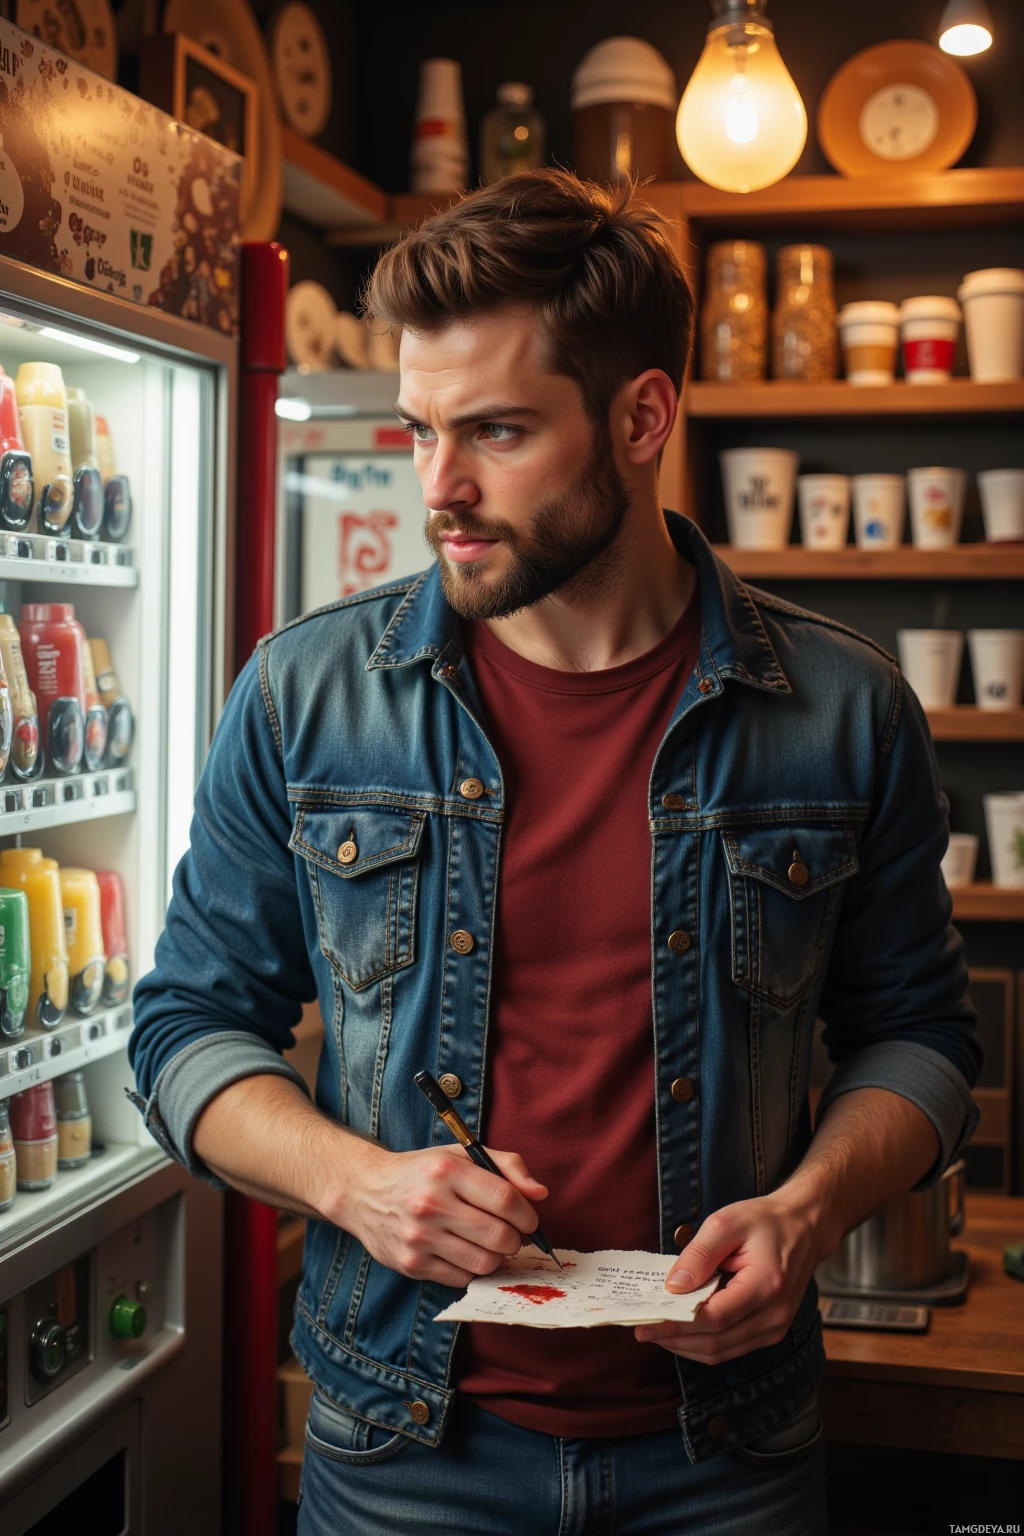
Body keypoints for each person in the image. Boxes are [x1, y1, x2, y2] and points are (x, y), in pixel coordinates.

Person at [130, 170, 981, 1536]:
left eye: (498, 432)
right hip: (405, 1445)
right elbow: (183, 1028)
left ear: (642, 417)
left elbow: (926, 1043)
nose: (441, 490)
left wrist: (810, 1213)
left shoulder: (842, 707)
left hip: (729, 1455)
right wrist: (356, 1183)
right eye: (419, 431)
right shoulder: (305, 695)